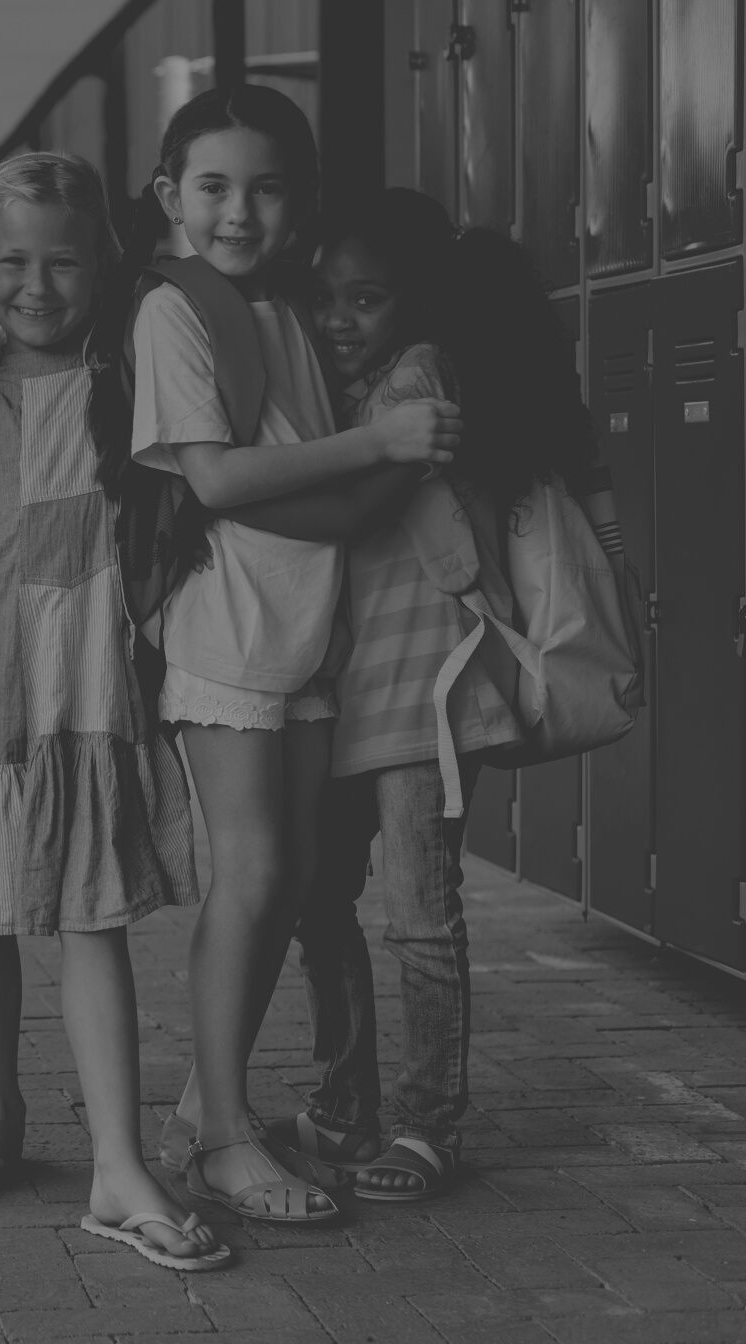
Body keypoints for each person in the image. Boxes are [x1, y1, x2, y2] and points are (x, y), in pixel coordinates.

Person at [0, 151, 227, 1271]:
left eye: (63, 261)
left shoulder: (129, 375)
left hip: (84, 680)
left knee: (90, 912)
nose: (37, 283)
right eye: (12, 258)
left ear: (102, 267)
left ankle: (119, 1163)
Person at [129, 87, 459, 1224]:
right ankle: (223, 1137)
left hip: (309, 637)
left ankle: (199, 1112)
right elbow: (216, 480)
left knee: (292, 888)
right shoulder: (176, 312)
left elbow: (324, 489)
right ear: (171, 197)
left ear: (300, 203)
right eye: (213, 186)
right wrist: (381, 443)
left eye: (267, 188)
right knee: (257, 877)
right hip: (228, 634)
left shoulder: (289, 312)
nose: (239, 210)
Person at [261, 189, 613, 1201]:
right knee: (320, 903)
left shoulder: (414, 380)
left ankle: (420, 1126)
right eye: (323, 300)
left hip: (423, 695)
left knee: (415, 915)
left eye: (364, 300)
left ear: (412, 306)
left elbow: (349, 510)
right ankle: (344, 1109)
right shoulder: (347, 385)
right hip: (340, 690)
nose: (338, 321)